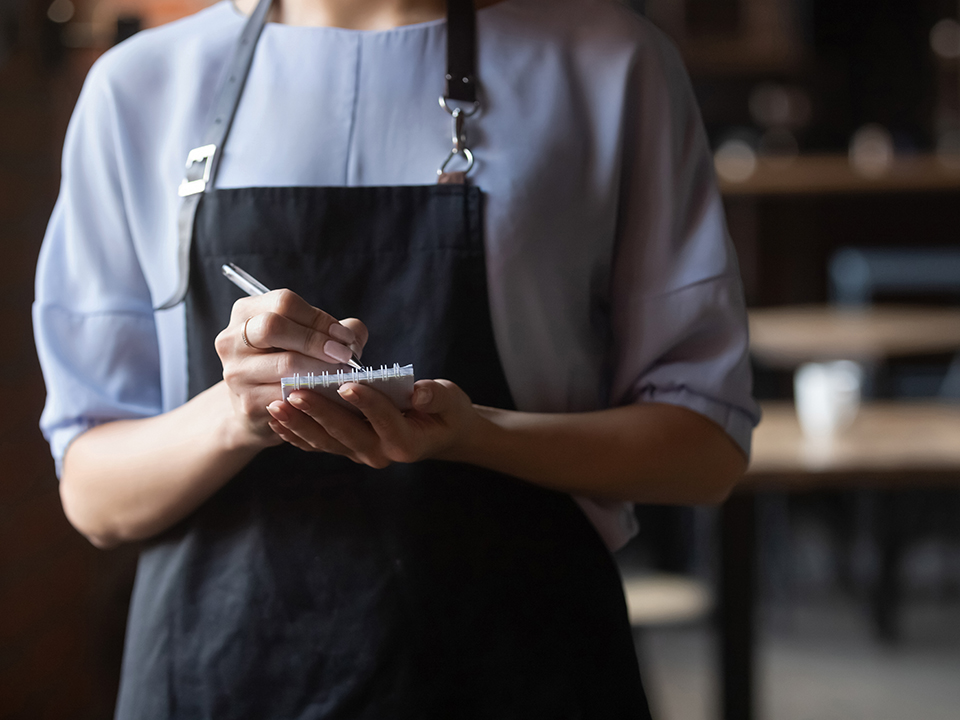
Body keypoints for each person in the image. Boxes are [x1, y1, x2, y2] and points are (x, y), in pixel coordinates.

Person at [33, 0, 759, 716]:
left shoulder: (609, 62)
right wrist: (235, 415)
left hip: (522, 667)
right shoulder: (141, 84)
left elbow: (705, 452)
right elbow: (96, 498)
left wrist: (481, 435)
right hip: (217, 676)